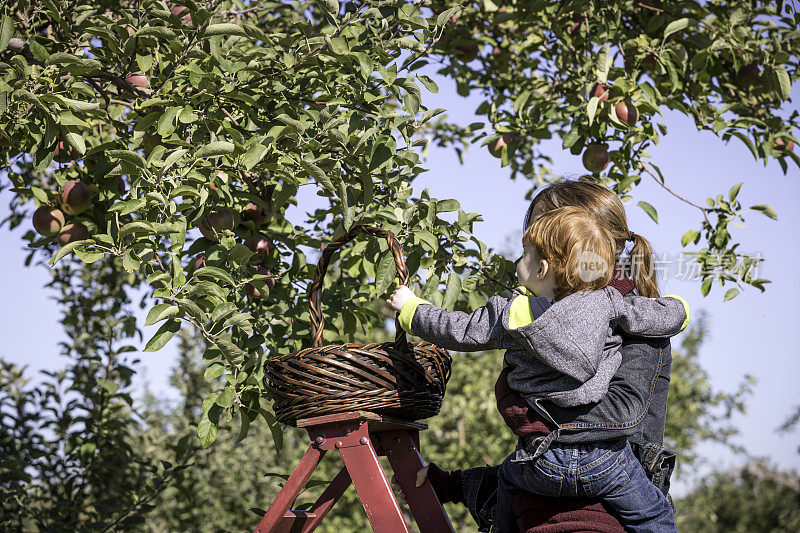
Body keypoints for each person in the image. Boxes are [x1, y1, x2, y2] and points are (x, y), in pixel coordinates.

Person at [396, 180, 684, 532]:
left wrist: (522, 406)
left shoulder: (636, 330)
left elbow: (610, 422)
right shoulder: (548, 320)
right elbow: (551, 460)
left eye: (533, 245)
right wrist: (455, 485)